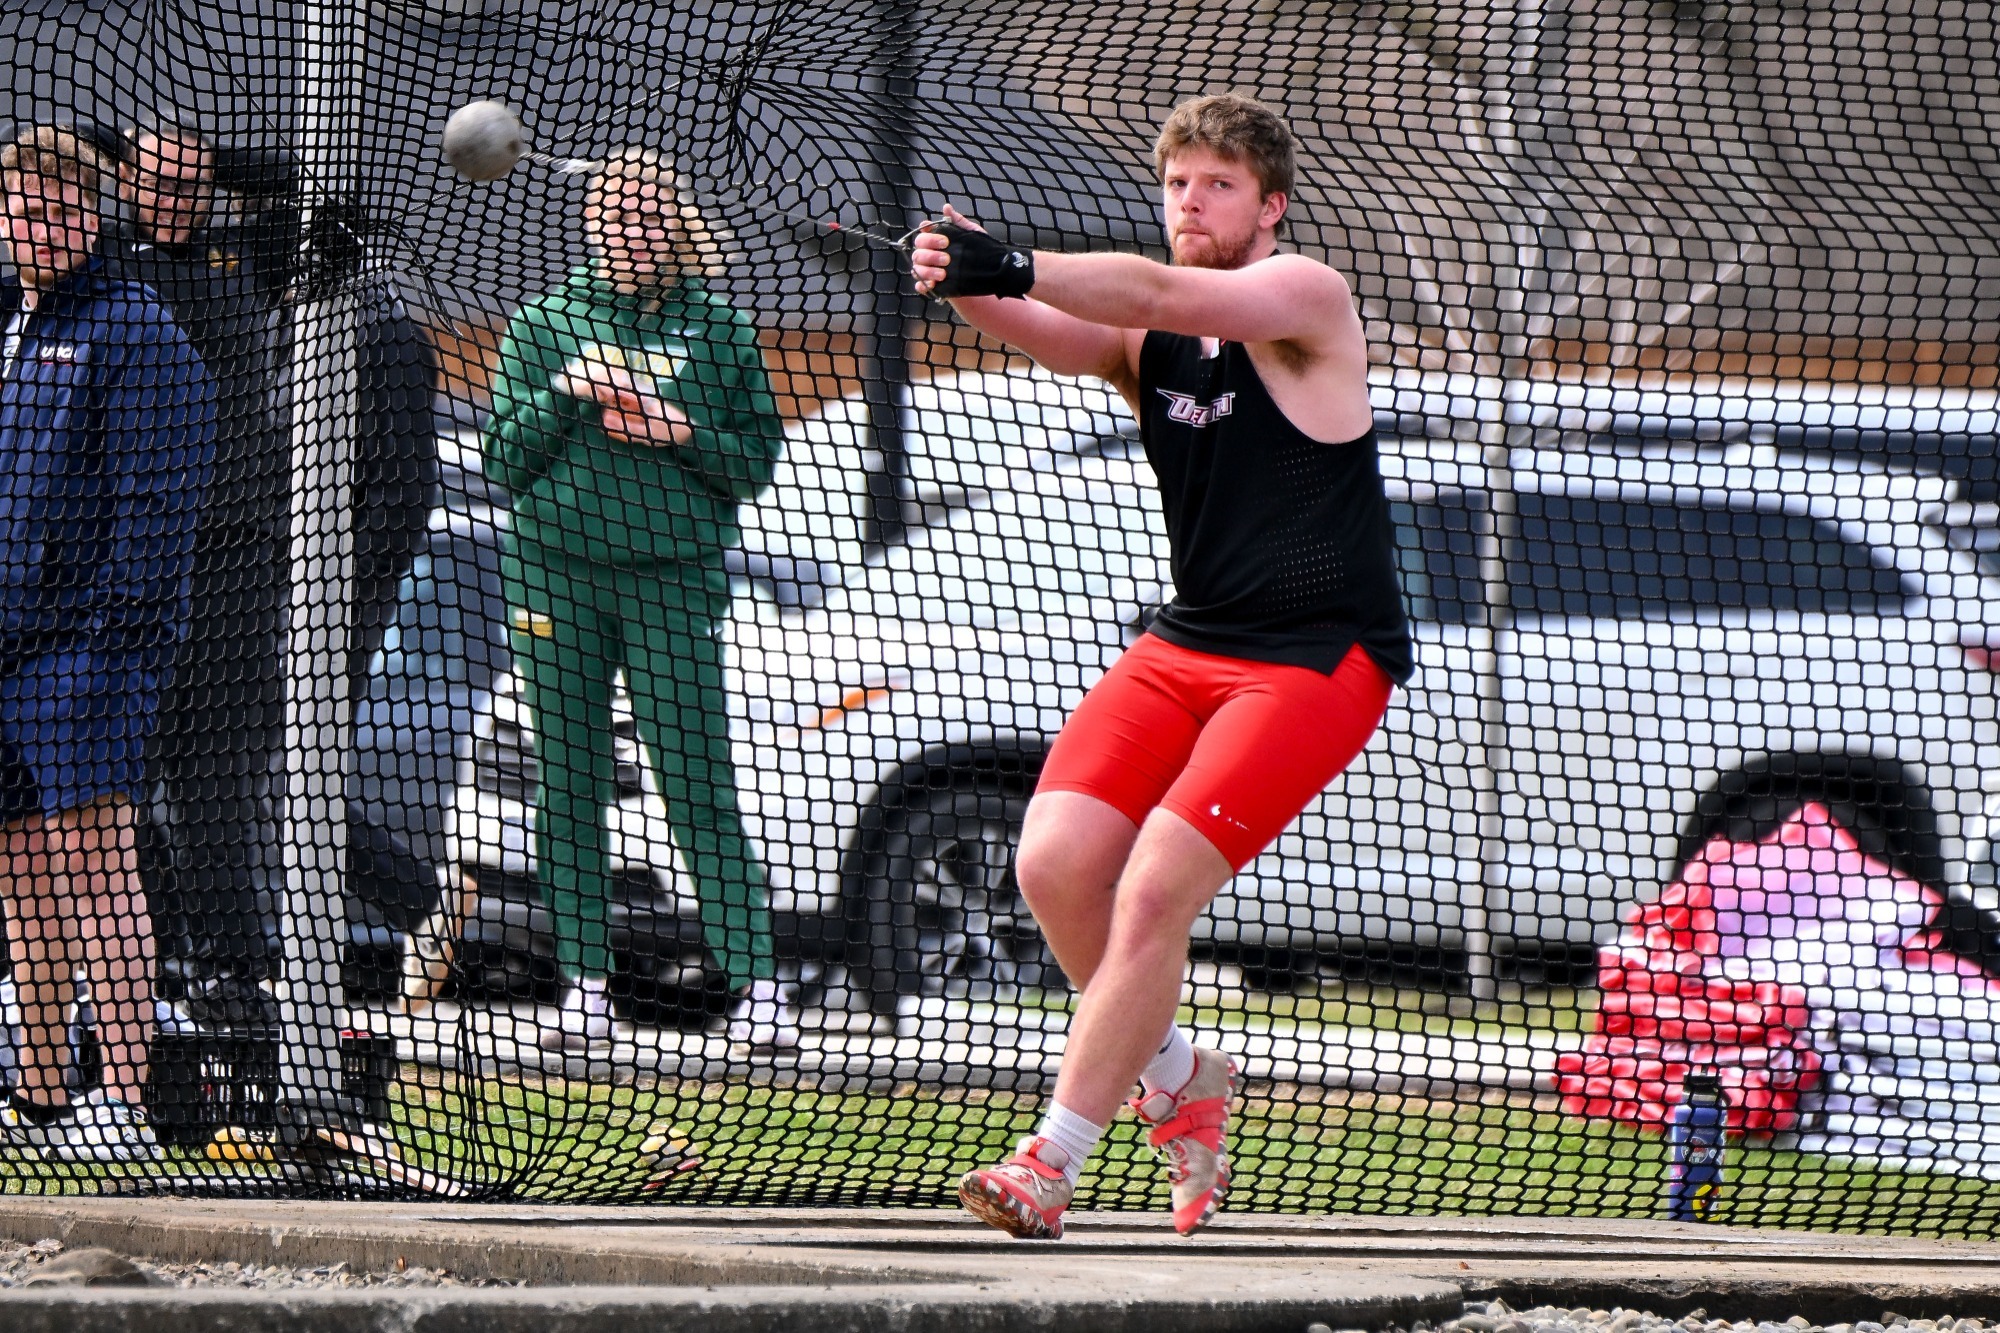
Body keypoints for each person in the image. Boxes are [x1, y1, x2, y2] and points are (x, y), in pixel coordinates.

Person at [909, 92, 1413, 1238]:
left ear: (1269, 206)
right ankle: (1182, 1073)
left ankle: (1051, 1159)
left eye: (1217, 184)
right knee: (1051, 864)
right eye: (1178, 182)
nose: (1191, 201)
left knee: (1149, 890)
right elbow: (1059, 319)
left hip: (1314, 660)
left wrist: (1017, 258)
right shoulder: (1152, 343)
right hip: (1190, 638)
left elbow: (1146, 288)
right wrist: (965, 273)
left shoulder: (1301, 300)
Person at [481, 147, 794, 1051]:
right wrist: (567, 393)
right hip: (552, 574)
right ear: (590, 225)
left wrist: (679, 428)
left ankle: (758, 989)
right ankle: (582, 988)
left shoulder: (721, 329)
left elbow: (755, 466)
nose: (629, 233)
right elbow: (504, 460)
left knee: (695, 779)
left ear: (677, 227)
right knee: (569, 780)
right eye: (614, 218)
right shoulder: (546, 321)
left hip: (673, 577)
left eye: (648, 218)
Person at [0, 126, 217, 1160]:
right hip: (6, 641)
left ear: (94, 216)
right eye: (20, 211)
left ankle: (121, 1101)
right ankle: (43, 1097)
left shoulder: (138, 331)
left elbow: (158, 507)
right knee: (20, 864)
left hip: (87, 649)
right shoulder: (14, 321)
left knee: (96, 858)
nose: (35, 229)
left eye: (54, 212)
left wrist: (114, 639)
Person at [107, 123, 291, 1025]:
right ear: (128, 185)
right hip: (123, 560)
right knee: (106, 786)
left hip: (230, 556)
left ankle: (231, 974)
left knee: (217, 778)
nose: (175, 202)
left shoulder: (248, 252)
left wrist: (202, 159)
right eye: (158, 187)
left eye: (191, 189)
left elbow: (303, 184)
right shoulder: (102, 260)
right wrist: (122, 151)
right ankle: (116, 974)